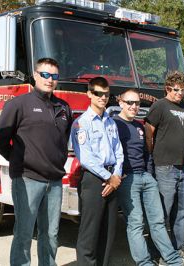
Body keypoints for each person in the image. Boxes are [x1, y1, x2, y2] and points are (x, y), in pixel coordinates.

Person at [0, 58, 72, 266]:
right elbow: (0, 138)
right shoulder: (18, 104)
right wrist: (17, 159)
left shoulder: (64, 108)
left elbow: (63, 141)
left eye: (54, 76)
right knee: (24, 233)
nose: (49, 80)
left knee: (51, 235)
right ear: (35, 75)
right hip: (27, 179)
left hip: (54, 182)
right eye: (45, 75)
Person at [114, 89, 184, 266]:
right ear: (121, 103)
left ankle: (173, 260)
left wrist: (150, 174)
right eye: (129, 102)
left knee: (158, 222)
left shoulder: (139, 126)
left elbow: (147, 153)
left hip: (146, 178)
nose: (134, 106)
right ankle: (145, 263)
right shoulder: (113, 124)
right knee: (136, 223)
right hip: (127, 179)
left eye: (137, 103)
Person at [145, 71, 184, 263]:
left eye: (183, 90)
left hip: (183, 167)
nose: (180, 93)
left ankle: (177, 249)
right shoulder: (159, 106)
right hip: (165, 167)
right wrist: (153, 155)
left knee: (182, 211)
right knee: (162, 213)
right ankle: (155, 252)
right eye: (176, 90)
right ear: (168, 88)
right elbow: (149, 132)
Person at [71, 77, 123, 266]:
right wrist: (109, 177)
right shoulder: (81, 123)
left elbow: (119, 151)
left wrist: (116, 175)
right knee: (89, 233)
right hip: (94, 180)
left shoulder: (110, 122)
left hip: (113, 179)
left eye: (106, 94)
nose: (103, 97)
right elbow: (86, 157)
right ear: (89, 94)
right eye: (98, 93)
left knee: (108, 233)